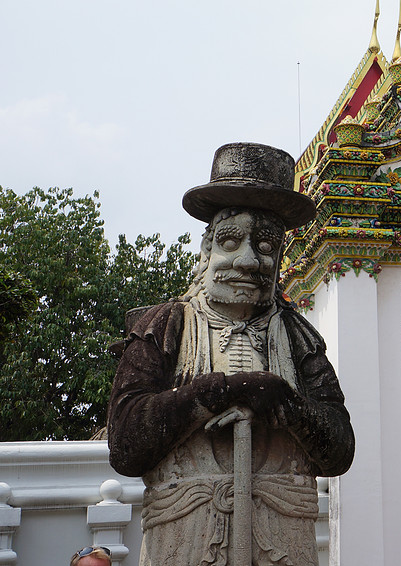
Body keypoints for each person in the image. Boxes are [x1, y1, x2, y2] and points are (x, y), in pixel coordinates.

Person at [107, 143, 355, 566]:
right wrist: (217, 391)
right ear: (206, 250)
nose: (248, 260)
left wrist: (287, 404)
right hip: (185, 539)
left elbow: (339, 451)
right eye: (231, 241)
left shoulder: (297, 338)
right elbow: (127, 446)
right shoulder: (167, 325)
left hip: (281, 541)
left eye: (265, 245)